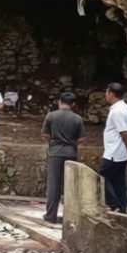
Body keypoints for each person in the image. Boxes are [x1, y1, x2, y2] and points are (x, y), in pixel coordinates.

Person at [41, 92, 86, 224]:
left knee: (54, 185)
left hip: (55, 153)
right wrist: (71, 143)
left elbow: (45, 134)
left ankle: (51, 215)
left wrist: (54, 141)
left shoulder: (51, 115)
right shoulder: (77, 118)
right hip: (71, 154)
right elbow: (82, 138)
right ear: (73, 104)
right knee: (70, 185)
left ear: (59, 102)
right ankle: (70, 217)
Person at [99, 83, 127, 213]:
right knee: (117, 181)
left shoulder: (117, 111)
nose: (106, 95)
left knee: (102, 177)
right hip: (121, 153)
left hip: (114, 152)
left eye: (106, 92)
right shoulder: (125, 108)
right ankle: (121, 207)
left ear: (111, 94)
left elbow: (124, 132)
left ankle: (114, 204)